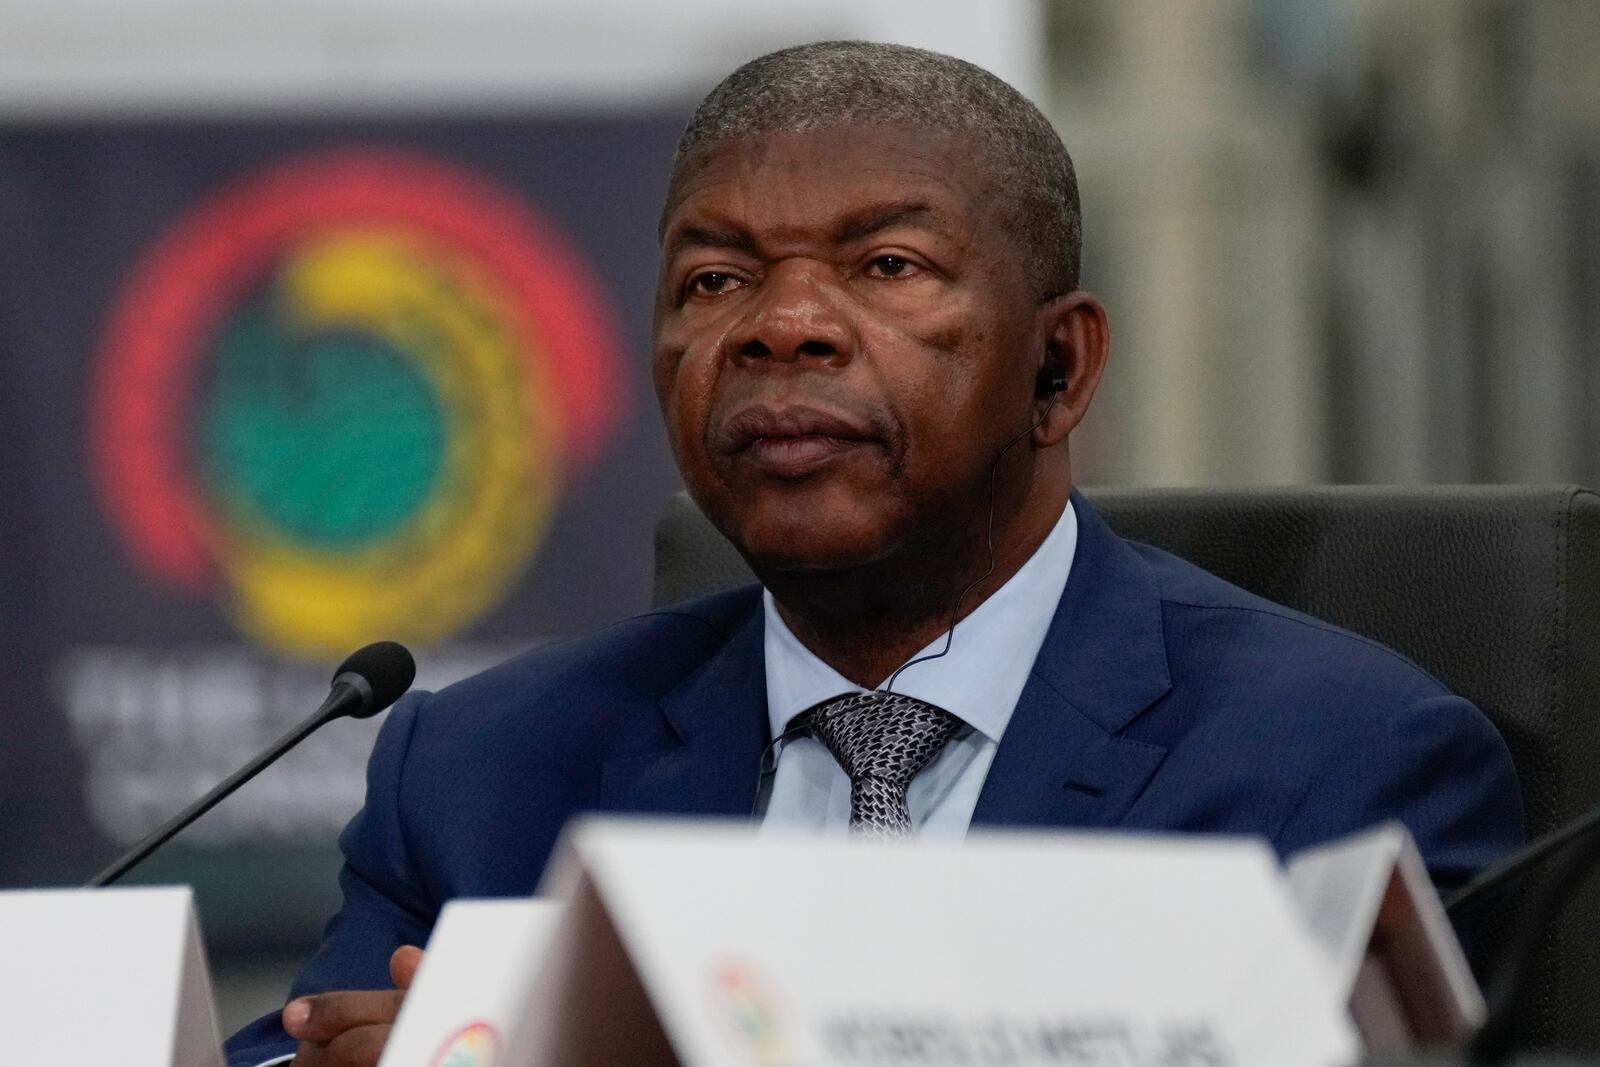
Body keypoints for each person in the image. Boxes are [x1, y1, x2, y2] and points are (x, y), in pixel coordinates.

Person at [226, 40, 1523, 1067]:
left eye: (887, 264)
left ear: (1058, 368)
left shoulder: (1340, 768)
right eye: (714, 282)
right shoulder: (481, 770)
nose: (781, 325)